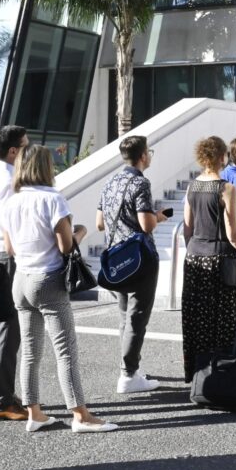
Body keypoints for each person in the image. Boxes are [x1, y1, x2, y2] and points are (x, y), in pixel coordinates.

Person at [2, 144, 116, 433]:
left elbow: (9, 247)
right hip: (49, 279)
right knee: (65, 352)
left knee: (30, 352)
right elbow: (65, 246)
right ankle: (81, 416)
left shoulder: (11, 200)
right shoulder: (52, 198)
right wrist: (79, 231)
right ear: (44, 167)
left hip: (21, 279)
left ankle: (34, 414)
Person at [181, 136, 236, 384]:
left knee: (198, 319)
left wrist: (196, 250)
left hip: (194, 260)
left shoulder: (191, 187)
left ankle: (199, 375)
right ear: (223, 157)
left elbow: (187, 231)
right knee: (229, 320)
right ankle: (228, 373)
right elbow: (234, 236)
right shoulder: (226, 189)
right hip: (221, 261)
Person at [96, 135, 170, 394]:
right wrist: (158, 217)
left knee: (125, 316)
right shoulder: (140, 183)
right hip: (140, 260)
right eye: (149, 151)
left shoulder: (110, 183)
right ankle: (128, 375)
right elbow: (146, 224)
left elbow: (99, 223)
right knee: (138, 317)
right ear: (142, 156)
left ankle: (129, 369)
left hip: (118, 260)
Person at [0, 125, 29, 422]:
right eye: (25, 145)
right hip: (7, 256)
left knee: (7, 328)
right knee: (8, 329)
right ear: (13, 151)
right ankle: (1, 399)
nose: (30, 148)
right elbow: (13, 224)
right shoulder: (8, 179)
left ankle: (3, 396)